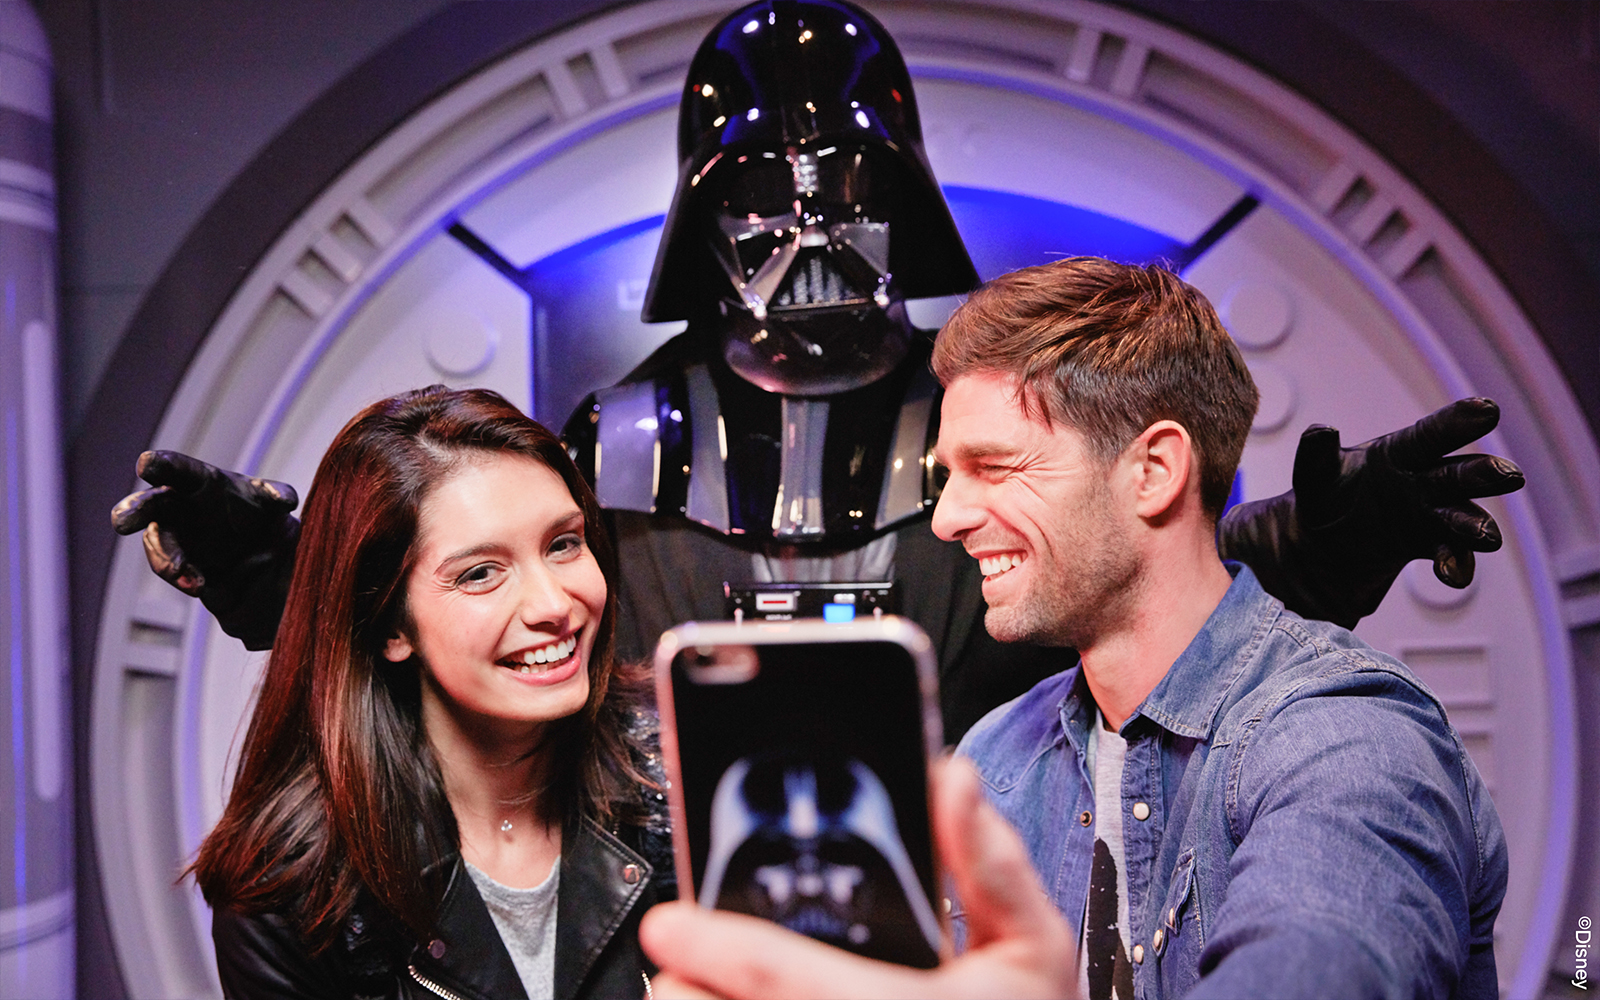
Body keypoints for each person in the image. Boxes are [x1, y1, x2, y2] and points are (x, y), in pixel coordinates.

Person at [112, 0, 1525, 748]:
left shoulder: (992, 425)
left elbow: (1138, 587)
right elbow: (460, 615)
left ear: (897, 201)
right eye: (761, 216)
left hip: (982, 905)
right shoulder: (614, 441)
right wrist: (287, 568)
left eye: (836, 205)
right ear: (702, 222)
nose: (800, 250)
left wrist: (1321, 548)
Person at [640, 258, 1510, 1000]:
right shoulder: (996, 756)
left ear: (1154, 470)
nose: (947, 520)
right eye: (950, 474)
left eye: (996, 467)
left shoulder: (1346, 740)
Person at [187, 386, 672, 1000]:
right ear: (391, 625)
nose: (554, 605)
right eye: (480, 573)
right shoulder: (292, 894)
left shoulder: (686, 782)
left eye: (563, 544)